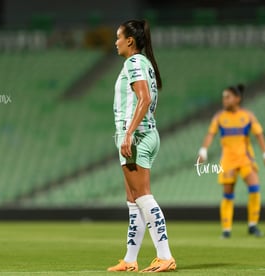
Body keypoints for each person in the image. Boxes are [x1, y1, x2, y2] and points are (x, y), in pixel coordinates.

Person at [107, 19, 176, 272]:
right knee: (134, 201)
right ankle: (130, 259)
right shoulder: (144, 64)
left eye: (118, 37)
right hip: (143, 135)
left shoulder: (134, 62)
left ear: (130, 40)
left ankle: (165, 255)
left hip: (136, 137)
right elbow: (149, 102)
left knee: (144, 197)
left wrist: (129, 134)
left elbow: (144, 99)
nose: (115, 42)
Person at [197, 84, 265, 238]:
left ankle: (252, 225)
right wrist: (203, 151)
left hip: (246, 159)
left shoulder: (248, 116)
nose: (224, 100)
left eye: (228, 97)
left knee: (255, 188)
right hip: (228, 162)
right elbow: (210, 134)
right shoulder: (219, 117)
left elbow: (259, 135)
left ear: (237, 98)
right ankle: (226, 229)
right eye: (223, 97)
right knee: (228, 194)